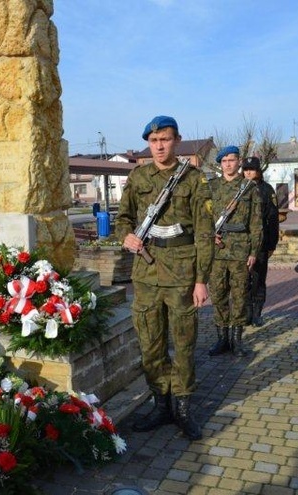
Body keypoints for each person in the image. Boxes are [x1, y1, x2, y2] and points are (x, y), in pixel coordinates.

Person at [114, 115, 214, 440]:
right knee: (150, 345)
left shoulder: (194, 180)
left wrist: (202, 280)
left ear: (176, 140)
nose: (159, 146)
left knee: (184, 344)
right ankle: (161, 404)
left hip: (183, 274)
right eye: (154, 141)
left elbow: (204, 232)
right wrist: (125, 236)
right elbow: (123, 219)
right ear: (148, 143)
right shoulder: (138, 176)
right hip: (146, 273)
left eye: (166, 139)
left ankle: (183, 409)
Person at [207, 146, 262, 358]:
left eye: (232, 160)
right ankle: (222, 339)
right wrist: (210, 235)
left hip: (240, 249)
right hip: (217, 250)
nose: (228, 164)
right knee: (219, 295)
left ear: (239, 162)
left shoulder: (249, 188)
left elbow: (256, 223)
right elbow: (203, 219)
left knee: (239, 295)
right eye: (224, 161)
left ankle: (237, 340)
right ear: (220, 164)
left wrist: (254, 251)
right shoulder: (211, 187)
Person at [242, 157, 279, 327]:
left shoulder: (267, 190)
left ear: (258, 171)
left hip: (261, 243)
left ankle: (257, 313)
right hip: (241, 243)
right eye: (246, 169)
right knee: (243, 280)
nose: (248, 172)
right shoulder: (239, 188)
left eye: (252, 169)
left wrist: (272, 244)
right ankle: (246, 312)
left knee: (257, 279)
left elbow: (273, 219)